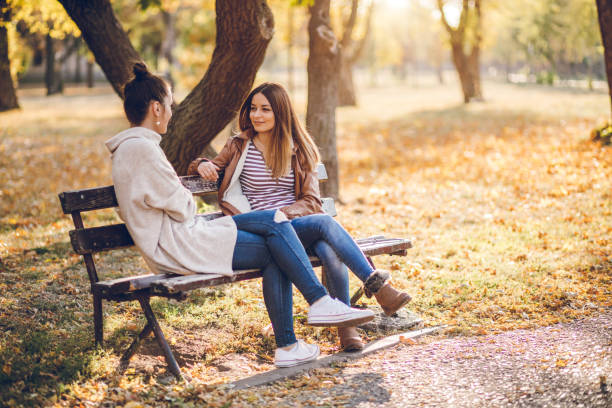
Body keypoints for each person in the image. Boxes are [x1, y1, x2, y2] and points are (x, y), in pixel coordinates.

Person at [107, 64, 375, 367]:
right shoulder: (143, 150)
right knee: (277, 239)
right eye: (169, 105)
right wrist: (188, 186)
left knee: (275, 228)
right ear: (156, 108)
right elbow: (183, 207)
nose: (171, 112)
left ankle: (297, 335)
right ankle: (312, 311)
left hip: (183, 238)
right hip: (182, 244)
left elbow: (166, 200)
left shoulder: (134, 148)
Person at [188, 82, 412, 352]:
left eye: (265, 110)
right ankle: (375, 294)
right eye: (253, 109)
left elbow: (311, 201)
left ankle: (349, 323)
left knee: (328, 246)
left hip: (294, 224)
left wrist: (285, 214)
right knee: (325, 228)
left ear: (280, 112)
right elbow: (204, 165)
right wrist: (201, 164)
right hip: (261, 229)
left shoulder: (299, 148)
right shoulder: (238, 145)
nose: (256, 115)